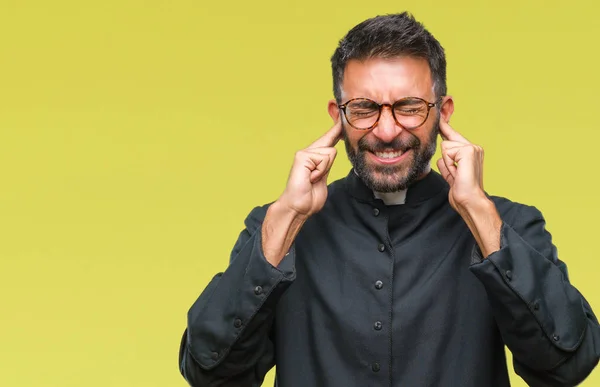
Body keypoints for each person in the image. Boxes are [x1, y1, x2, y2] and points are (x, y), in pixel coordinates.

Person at [178, 12, 600, 387]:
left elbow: (567, 366)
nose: (385, 130)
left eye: (409, 106)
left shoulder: (508, 225)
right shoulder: (277, 228)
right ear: (337, 115)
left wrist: (479, 213)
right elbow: (210, 373)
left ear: (444, 112)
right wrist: (285, 219)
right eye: (364, 108)